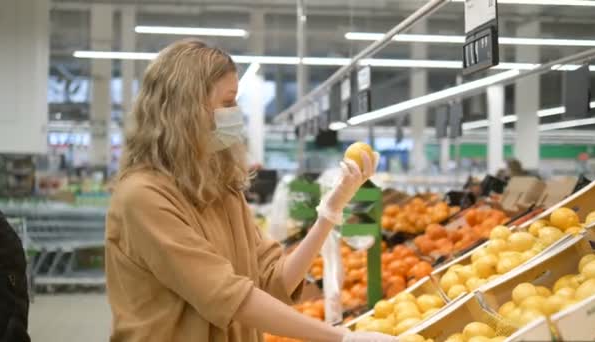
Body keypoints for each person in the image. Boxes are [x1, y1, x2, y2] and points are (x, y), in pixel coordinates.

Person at [105, 39, 396, 342]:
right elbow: (227, 295)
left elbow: (275, 280)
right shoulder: (143, 197)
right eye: (228, 102)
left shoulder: (221, 189)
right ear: (185, 109)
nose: (235, 113)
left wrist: (330, 210)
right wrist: (341, 338)